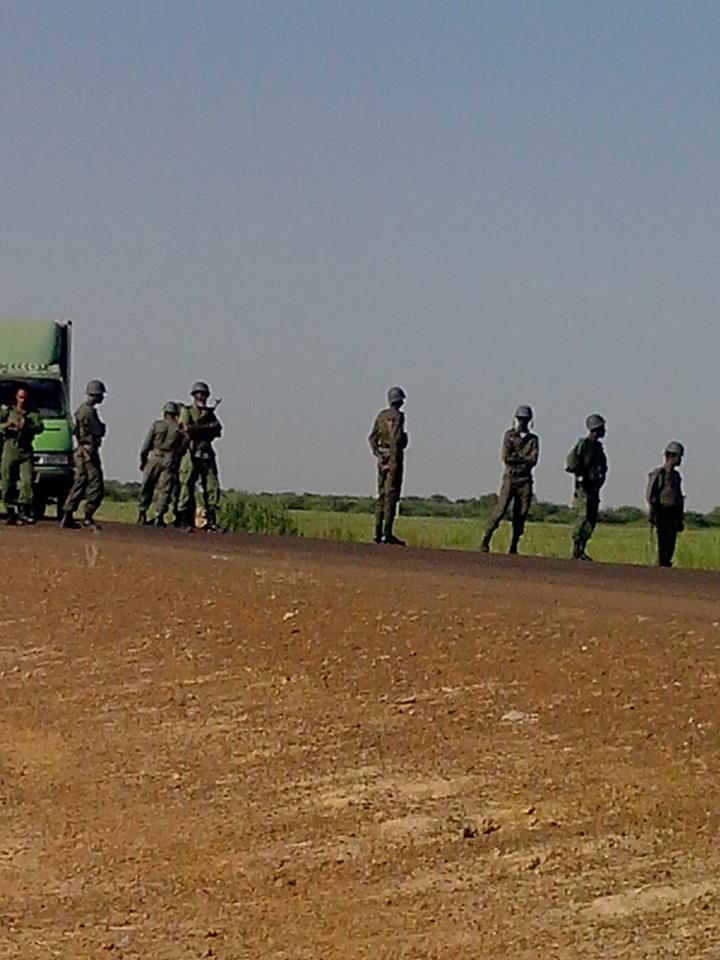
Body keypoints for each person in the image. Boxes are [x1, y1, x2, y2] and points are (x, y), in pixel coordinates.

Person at [481, 405, 539, 555]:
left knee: (521, 514)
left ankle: (514, 545)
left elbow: (533, 460)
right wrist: (522, 459)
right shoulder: (509, 436)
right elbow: (506, 458)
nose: (522, 422)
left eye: (525, 419)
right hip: (510, 478)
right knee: (500, 511)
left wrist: (517, 458)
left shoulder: (533, 439)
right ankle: (486, 539)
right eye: (520, 419)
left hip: (525, 480)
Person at [176, 382, 223, 531]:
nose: (201, 397)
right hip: (191, 452)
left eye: (204, 394)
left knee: (212, 486)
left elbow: (218, 429)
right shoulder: (187, 411)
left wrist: (202, 429)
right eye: (199, 394)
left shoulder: (209, 413)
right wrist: (205, 428)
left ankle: (211, 520)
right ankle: (184, 520)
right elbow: (186, 429)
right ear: (194, 395)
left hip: (206, 453)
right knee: (186, 486)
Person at [62, 380, 107, 530]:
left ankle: (68, 513)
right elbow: (98, 430)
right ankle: (88, 516)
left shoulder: (81, 410)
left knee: (80, 482)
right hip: (88, 451)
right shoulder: (89, 411)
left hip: (81, 450)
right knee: (95, 484)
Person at [368, 386, 409, 545]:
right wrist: (394, 457)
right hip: (394, 459)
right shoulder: (398, 417)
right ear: (398, 401)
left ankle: (377, 533)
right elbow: (396, 439)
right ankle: (387, 533)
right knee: (391, 496)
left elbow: (372, 437)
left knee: (381, 495)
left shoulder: (381, 416)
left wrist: (378, 453)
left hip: (382, 459)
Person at [565, 413, 608, 561]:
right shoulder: (583, 444)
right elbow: (571, 462)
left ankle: (581, 549)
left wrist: (600, 480)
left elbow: (603, 466)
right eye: (602, 427)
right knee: (583, 516)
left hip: (594, 487)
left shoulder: (598, 448)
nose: (605, 430)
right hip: (584, 487)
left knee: (591, 518)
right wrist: (580, 474)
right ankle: (575, 550)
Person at [0, 384, 44, 526]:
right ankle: (9, 510)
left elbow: (39, 427)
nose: (22, 400)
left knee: (27, 481)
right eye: (20, 397)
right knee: (6, 481)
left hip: (25, 450)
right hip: (9, 448)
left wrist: (26, 426)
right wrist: (7, 425)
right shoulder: (7, 410)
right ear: (16, 397)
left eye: (25, 397)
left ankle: (23, 511)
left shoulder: (33, 413)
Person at [137, 402, 186, 526]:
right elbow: (183, 446)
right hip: (169, 458)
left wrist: (143, 461)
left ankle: (142, 513)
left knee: (147, 485)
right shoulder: (178, 428)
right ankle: (159, 516)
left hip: (154, 457)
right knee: (165, 489)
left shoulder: (156, 425)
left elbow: (146, 446)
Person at [646, 441, 685, 568]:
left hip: (673, 513)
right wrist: (653, 513)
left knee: (671, 542)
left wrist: (680, 517)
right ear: (671, 456)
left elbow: (678, 496)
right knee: (662, 541)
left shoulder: (676, 476)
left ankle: (666, 563)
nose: (680, 460)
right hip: (662, 511)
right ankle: (661, 565)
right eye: (679, 456)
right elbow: (650, 494)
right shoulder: (659, 473)